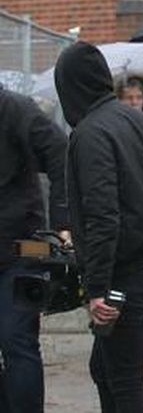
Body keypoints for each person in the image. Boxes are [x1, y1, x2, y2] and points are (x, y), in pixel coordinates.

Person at [56, 43, 143, 413]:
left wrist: (98, 288)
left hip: (124, 269)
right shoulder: (140, 122)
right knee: (104, 368)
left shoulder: (91, 133)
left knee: (123, 377)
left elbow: (102, 212)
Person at [0, 87, 69, 413]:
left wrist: (62, 221)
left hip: (23, 247)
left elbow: (59, 151)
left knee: (17, 340)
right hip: (20, 241)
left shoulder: (14, 107)